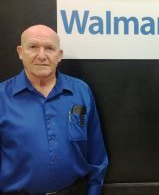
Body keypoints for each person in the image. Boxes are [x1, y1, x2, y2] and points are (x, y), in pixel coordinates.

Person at [0, 25, 108, 195]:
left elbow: (96, 152)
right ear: (21, 52)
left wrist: (94, 191)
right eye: (33, 47)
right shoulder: (2, 97)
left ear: (59, 55)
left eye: (49, 48)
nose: (41, 55)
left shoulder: (80, 91)